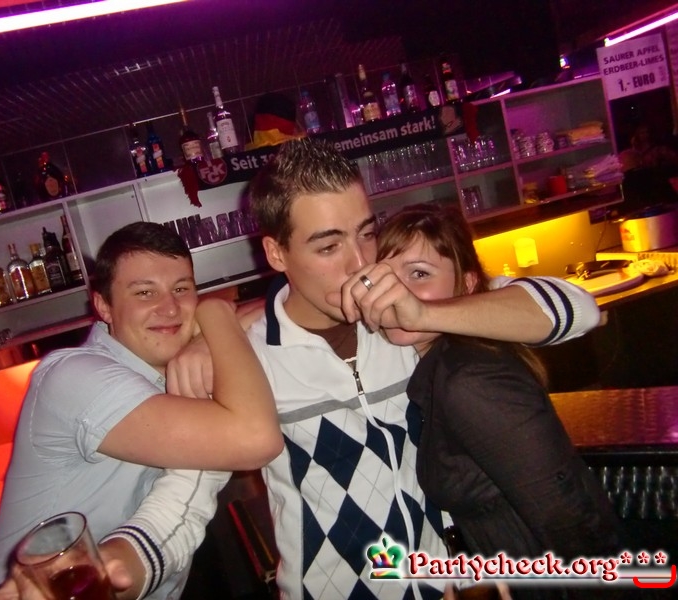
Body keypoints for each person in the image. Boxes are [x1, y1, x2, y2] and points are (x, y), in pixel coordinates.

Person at [99, 138, 601, 600]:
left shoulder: (405, 327)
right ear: (276, 252)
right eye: (328, 246)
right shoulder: (245, 359)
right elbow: (185, 496)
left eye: (366, 234)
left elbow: (579, 309)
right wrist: (124, 561)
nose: (359, 263)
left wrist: (426, 314)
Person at [0, 221, 283, 599]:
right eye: (144, 293)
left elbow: (281, 309)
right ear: (103, 306)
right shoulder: (73, 376)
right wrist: (215, 316)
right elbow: (254, 439)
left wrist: (206, 339)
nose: (169, 308)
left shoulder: (170, 366)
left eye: (182, 289)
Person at [365, 204, 620, 599]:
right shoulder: (438, 361)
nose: (396, 293)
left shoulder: (469, 380)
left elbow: (569, 520)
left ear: (467, 285)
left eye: (420, 274)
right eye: (387, 277)